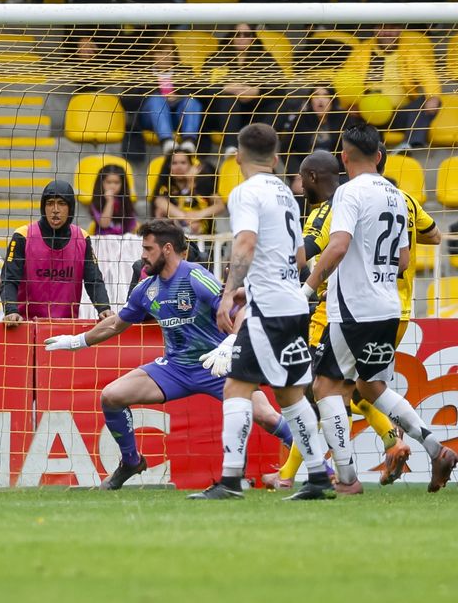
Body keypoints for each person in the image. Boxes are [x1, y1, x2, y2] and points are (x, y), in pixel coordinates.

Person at [43, 218, 297, 490]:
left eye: (148, 249)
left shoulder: (195, 277)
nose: (143, 255)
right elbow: (117, 324)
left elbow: (240, 310)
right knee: (111, 396)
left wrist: (231, 343)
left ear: (166, 249)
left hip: (215, 365)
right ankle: (131, 461)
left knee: (267, 416)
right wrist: (77, 341)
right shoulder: (146, 289)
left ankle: (316, 464)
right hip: (174, 368)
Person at [303, 123, 457, 494]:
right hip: (389, 306)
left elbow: (338, 245)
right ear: (379, 155)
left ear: (344, 157)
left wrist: (307, 287)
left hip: (354, 308)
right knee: (370, 386)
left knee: (324, 386)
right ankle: (436, 449)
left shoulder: (348, 192)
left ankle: (347, 479)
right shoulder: (397, 195)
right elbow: (403, 260)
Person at [187, 123, 331, 500]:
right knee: (289, 394)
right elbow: (299, 256)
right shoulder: (286, 194)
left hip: (267, 308)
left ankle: (230, 480)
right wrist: (257, 286)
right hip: (292, 303)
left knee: (236, 386)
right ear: (277, 158)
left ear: (237, 157)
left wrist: (228, 293)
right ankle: (318, 476)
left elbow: (246, 244)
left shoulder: (245, 192)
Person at [260, 150, 411, 490]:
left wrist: (265, 262)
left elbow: (306, 250)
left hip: (338, 313)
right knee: (347, 390)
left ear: (313, 177)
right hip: (387, 306)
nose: (300, 187)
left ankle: (295, 474)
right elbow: (431, 236)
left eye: (302, 179)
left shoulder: (332, 207)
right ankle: (387, 440)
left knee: (318, 392)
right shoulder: (390, 198)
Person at [1, 179, 112, 324]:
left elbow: (94, 280)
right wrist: (11, 310)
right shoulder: (23, 236)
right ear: (43, 207)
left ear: (70, 207)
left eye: (61, 203)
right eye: (50, 203)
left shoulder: (82, 238)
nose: (55, 209)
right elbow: (8, 279)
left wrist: (104, 307)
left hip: (67, 328)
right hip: (26, 326)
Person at [337, 23, 440, 150]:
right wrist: (351, 103)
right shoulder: (361, 50)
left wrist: (433, 97)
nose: (387, 33)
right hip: (367, 113)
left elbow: (428, 75)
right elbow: (347, 77)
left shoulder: (410, 51)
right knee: (345, 113)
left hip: (400, 113)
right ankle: (371, 150)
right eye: (382, 28)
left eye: (392, 28)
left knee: (431, 100)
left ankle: (409, 145)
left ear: (400, 30)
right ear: (375, 29)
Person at [202, 23, 287, 154]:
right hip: (222, 115)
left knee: (280, 107)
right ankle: (231, 149)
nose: (242, 38)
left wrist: (258, 91)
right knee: (229, 100)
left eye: (246, 34)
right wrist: (224, 88)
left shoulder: (265, 58)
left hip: (253, 111)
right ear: (231, 37)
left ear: (252, 37)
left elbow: (281, 87)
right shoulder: (216, 58)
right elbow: (201, 88)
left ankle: (259, 148)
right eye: (237, 34)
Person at [139, 36, 202, 154]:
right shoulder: (142, 73)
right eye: (160, 53)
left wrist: (179, 96)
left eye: (168, 53)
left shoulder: (185, 71)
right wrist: (161, 97)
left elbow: (199, 93)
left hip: (178, 116)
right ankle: (167, 141)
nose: (164, 57)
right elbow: (127, 100)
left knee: (191, 100)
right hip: (151, 118)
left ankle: (189, 141)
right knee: (157, 99)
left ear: (174, 55)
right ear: (152, 55)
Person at [151, 147, 223, 237]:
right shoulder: (164, 188)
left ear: (191, 165)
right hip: (173, 236)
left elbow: (220, 206)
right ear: (169, 167)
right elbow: (161, 204)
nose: (179, 167)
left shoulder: (203, 184)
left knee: (195, 226)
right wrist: (186, 217)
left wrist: (199, 214)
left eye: (183, 163)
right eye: (174, 163)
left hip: (203, 235)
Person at [89, 162, 137, 235]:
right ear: (101, 183)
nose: (112, 186)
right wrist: (109, 201)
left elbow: (131, 226)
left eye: (116, 182)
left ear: (123, 184)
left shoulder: (125, 200)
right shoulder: (96, 202)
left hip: (122, 238)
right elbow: (104, 224)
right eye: (108, 182)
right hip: (102, 238)